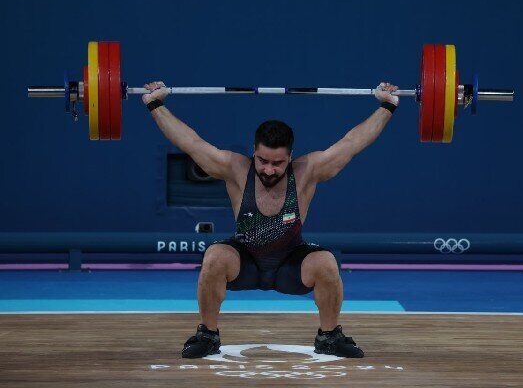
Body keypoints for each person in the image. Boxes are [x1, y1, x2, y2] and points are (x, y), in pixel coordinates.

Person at [143, 81, 399, 359]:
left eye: (277, 163)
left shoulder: (307, 171)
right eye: (263, 160)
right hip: (246, 262)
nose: (268, 169)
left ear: (290, 156)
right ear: (254, 150)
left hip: (291, 264)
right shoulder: (236, 169)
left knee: (326, 262)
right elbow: (190, 142)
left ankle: (329, 336)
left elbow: (352, 143)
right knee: (215, 256)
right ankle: (207, 334)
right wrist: (156, 104)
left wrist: (387, 106)